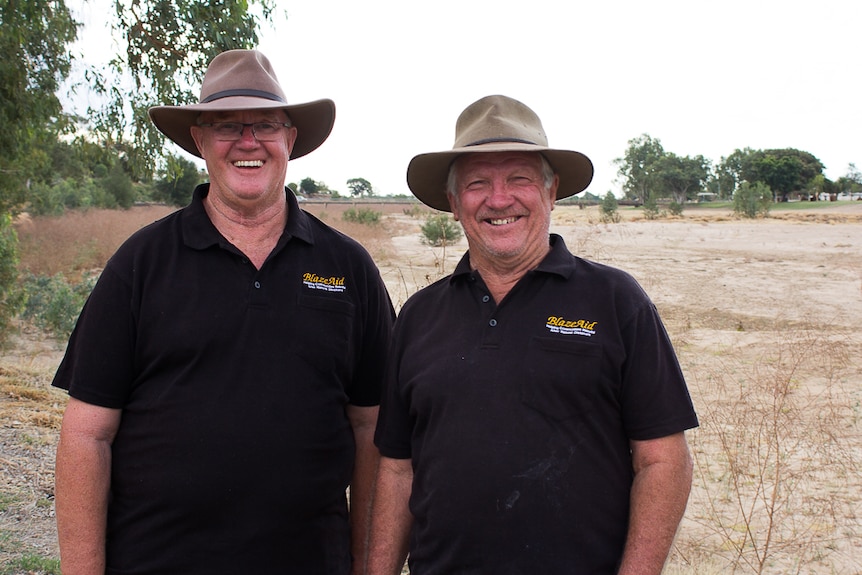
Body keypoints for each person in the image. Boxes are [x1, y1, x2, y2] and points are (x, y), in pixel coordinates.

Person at [53, 49, 394, 575]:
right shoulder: (140, 265)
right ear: (200, 141)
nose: (248, 141)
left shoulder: (349, 267)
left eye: (265, 125)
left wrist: (371, 567)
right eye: (227, 126)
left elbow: (373, 430)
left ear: (290, 139)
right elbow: (85, 434)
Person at [368, 95, 698, 575]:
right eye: (478, 183)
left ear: (550, 192)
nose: (499, 199)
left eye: (519, 179)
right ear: (455, 204)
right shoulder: (419, 316)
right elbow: (398, 469)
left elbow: (665, 462)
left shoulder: (616, 301)